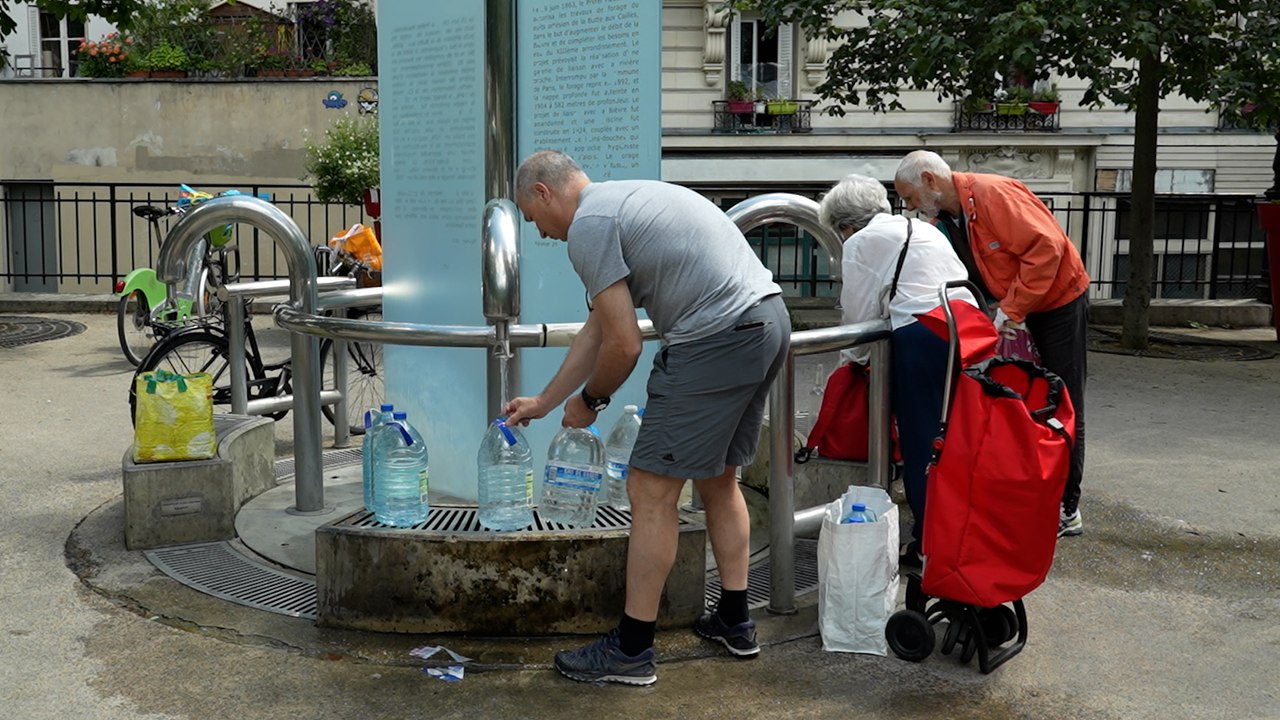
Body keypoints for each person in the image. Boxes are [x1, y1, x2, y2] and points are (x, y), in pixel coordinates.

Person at [504, 150, 790, 686]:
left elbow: (625, 345)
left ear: (544, 193)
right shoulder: (621, 200)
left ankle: (632, 650)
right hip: (766, 321)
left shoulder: (590, 226)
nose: (539, 233)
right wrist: (544, 402)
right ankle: (734, 618)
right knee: (718, 477)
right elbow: (598, 328)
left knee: (649, 490)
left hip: (717, 339)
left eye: (531, 217)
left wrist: (590, 401)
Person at [894, 149, 1090, 537]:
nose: (909, 207)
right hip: (1021, 302)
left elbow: (1046, 250)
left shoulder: (993, 195)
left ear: (931, 180)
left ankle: (1067, 505)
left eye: (910, 197)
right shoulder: (948, 216)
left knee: (1062, 399)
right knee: (1023, 400)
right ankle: (1034, 493)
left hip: (1058, 300)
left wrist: (1011, 309)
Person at [818, 173, 974, 565]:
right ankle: (956, 536)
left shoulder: (861, 242)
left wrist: (850, 368)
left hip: (921, 337)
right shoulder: (923, 228)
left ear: (846, 225)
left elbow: (856, 318)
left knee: (924, 446)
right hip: (965, 328)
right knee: (953, 438)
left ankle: (929, 547)